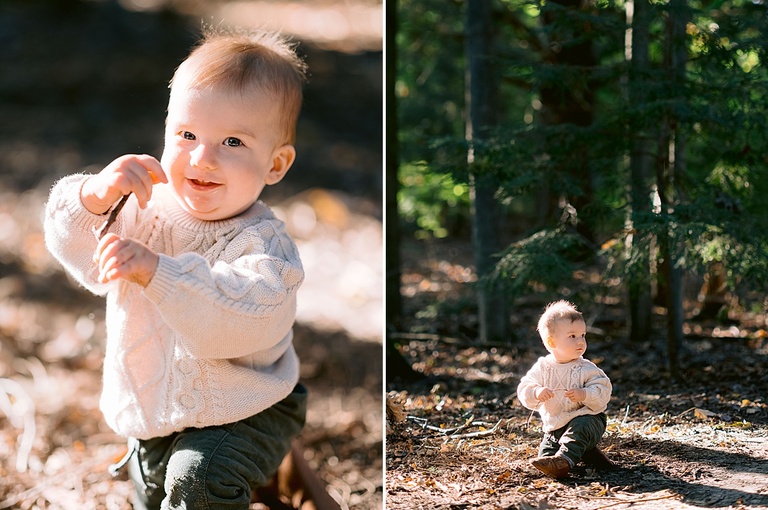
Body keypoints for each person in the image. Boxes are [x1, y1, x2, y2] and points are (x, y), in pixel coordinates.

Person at [44, 27, 309, 509]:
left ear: (275, 164)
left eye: (232, 141)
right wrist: (94, 196)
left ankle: (257, 469)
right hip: (156, 414)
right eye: (187, 135)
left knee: (199, 481)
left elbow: (237, 317)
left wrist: (157, 273)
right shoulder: (143, 206)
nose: (202, 158)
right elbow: (76, 250)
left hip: (248, 408)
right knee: (156, 493)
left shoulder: (265, 246)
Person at [517, 300, 613, 478]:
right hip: (555, 427)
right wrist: (536, 392)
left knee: (579, 428)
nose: (581, 341)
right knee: (545, 458)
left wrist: (585, 394)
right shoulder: (543, 368)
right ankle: (586, 455)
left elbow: (604, 389)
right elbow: (524, 387)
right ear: (552, 342)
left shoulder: (586, 368)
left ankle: (565, 461)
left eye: (583, 335)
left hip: (589, 421)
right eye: (572, 336)